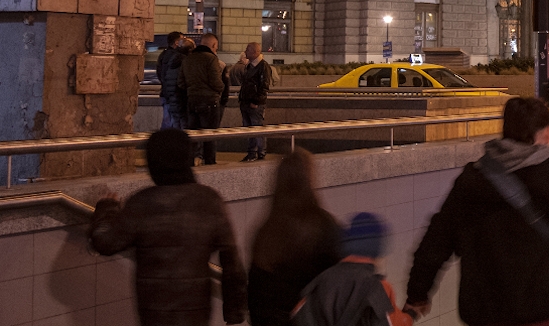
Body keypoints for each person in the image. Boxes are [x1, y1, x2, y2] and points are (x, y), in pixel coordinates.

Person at [404, 97, 549, 326]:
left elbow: (434, 245)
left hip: (487, 317)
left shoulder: (470, 182)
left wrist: (417, 295)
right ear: (547, 131)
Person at [89, 129, 247, 326]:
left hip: (154, 313)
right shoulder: (209, 201)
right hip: (196, 312)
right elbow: (232, 263)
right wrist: (234, 312)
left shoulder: (141, 203)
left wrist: (106, 208)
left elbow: (105, 242)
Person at [248, 149, 342, 325]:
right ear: (309, 180)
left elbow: (254, 294)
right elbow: (337, 285)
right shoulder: (324, 226)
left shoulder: (265, 231)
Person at [292, 212, 404, 326]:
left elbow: (299, 316)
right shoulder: (378, 287)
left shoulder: (321, 280)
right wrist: (411, 314)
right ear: (376, 248)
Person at [179, 32, 226, 165]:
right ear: (213, 45)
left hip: (192, 101)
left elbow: (181, 82)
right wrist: (221, 87)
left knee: (193, 136)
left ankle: (190, 164)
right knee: (209, 137)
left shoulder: (188, 59)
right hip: (210, 102)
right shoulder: (211, 59)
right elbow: (216, 83)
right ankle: (209, 164)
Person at [240, 41, 271, 161]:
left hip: (254, 104)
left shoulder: (263, 66)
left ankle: (260, 153)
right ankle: (252, 153)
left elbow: (264, 87)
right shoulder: (250, 65)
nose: (245, 51)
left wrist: (256, 102)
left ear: (255, 52)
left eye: (247, 49)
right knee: (249, 129)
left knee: (257, 128)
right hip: (246, 102)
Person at [156, 32, 183, 129]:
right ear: (176, 42)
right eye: (182, 40)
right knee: (172, 124)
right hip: (172, 95)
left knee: (167, 122)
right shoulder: (176, 56)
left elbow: (159, 73)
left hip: (165, 93)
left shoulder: (163, 55)